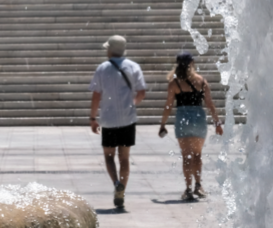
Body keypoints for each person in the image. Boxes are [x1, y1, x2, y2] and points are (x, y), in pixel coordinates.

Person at [89, 35, 147, 209]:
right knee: (125, 158)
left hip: (108, 119)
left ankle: (116, 183)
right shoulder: (133, 66)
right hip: (128, 119)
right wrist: (131, 104)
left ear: (109, 50)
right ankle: (123, 187)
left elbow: (96, 95)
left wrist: (93, 117)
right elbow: (142, 91)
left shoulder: (102, 68)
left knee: (108, 156)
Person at [157, 52, 224, 200]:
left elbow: (168, 105)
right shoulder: (201, 81)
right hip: (199, 119)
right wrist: (217, 123)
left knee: (186, 156)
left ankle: (188, 189)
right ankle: (198, 186)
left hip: (183, 120)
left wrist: (162, 124)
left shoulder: (174, 84)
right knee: (197, 155)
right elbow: (210, 104)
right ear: (192, 63)